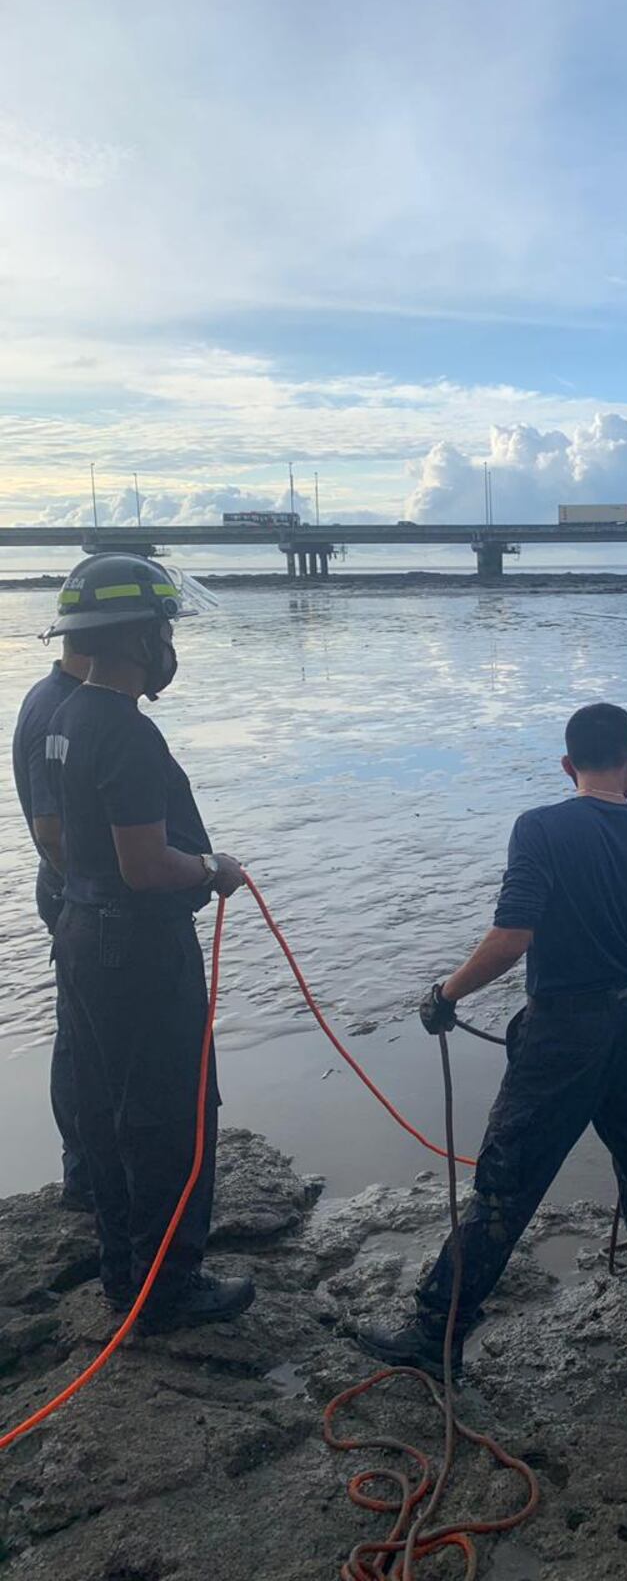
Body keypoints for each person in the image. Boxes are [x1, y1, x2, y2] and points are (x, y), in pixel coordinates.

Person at [359, 702, 627, 1375]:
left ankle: (436, 1331)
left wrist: (445, 996)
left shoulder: (540, 828)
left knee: (505, 1185)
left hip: (561, 1037)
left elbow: (513, 937)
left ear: (568, 765)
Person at [43, 553, 255, 1333]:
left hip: (84, 938)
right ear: (136, 638)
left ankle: (122, 1274)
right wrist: (212, 867)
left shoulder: (66, 716)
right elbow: (143, 865)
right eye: (163, 629)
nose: (170, 644)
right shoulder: (126, 734)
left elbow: (72, 847)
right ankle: (168, 1288)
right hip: (136, 950)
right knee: (169, 1114)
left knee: (106, 1111)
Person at [11, 637, 92, 1210]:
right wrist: (104, 895)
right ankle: (85, 1173)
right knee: (84, 1039)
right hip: (74, 900)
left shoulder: (63, 699)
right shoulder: (56, 710)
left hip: (72, 896)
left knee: (84, 1033)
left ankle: (88, 1168)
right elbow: (50, 832)